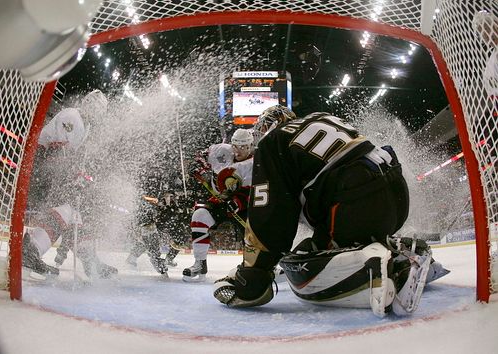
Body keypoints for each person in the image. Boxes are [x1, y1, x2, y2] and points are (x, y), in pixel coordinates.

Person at [213, 105, 436, 317]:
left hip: (354, 199)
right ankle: (400, 254)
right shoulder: (321, 117)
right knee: (333, 239)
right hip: (395, 191)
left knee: (301, 264)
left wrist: (255, 275)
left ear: (268, 127)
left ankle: (372, 266)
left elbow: (271, 215)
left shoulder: (273, 142)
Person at [23, 90, 118, 279]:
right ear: (86, 103)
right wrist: (75, 177)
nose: (96, 110)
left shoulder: (86, 124)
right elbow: (59, 154)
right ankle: (30, 251)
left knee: (75, 212)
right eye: (94, 105)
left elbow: (69, 157)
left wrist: (78, 175)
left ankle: (90, 261)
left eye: (100, 109)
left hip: (49, 167)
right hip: (40, 165)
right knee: (67, 210)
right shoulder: (72, 116)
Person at [182, 129, 254, 282]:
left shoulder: (255, 164)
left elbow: (253, 191)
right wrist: (199, 167)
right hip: (220, 200)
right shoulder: (221, 150)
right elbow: (198, 156)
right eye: (235, 146)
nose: (238, 151)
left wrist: (236, 203)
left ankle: (257, 266)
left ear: (250, 146)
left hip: (246, 206)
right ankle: (200, 263)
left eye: (243, 147)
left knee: (253, 235)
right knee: (199, 215)